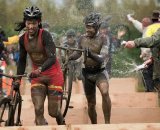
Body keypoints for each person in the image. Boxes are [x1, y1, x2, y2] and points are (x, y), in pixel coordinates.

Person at [14, 6, 65, 125]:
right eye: (28, 23)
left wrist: (40, 69)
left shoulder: (45, 35)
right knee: (38, 109)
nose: (31, 26)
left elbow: (52, 58)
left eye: (34, 23)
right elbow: (22, 61)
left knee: (53, 112)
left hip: (53, 75)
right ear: (25, 22)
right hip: (37, 77)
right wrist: (18, 79)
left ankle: (60, 119)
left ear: (39, 22)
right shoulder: (22, 39)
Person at [69, 12, 111, 124]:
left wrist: (91, 54)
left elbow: (102, 58)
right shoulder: (82, 38)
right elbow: (77, 54)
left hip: (100, 72)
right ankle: (94, 125)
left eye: (90, 27)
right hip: (86, 73)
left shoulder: (103, 38)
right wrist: (70, 57)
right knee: (91, 103)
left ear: (97, 26)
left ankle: (107, 123)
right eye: (86, 26)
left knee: (105, 92)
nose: (88, 29)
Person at [124, 10, 160, 92]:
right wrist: (130, 18)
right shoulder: (150, 27)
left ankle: (150, 93)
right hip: (154, 57)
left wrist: (146, 56)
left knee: (148, 76)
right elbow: (137, 23)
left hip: (151, 57)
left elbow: (150, 42)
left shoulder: (149, 29)